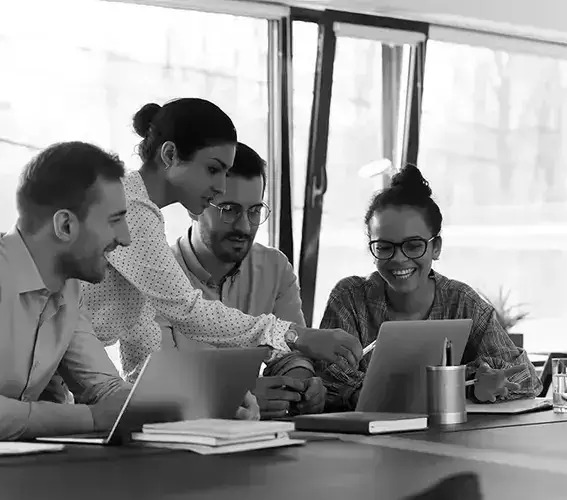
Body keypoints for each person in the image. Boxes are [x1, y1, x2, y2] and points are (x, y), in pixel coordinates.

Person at [82, 98, 362, 384]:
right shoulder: (132, 209)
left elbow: (142, 345)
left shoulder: (144, 215)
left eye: (225, 173)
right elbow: (187, 310)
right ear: (169, 155)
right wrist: (295, 335)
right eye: (213, 170)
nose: (220, 186)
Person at [317, 164, 543, 411]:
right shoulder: (350, 298)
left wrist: (484, 381)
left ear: (436, 247)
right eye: (384, 247)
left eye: (414, 246)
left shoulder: (462, 302)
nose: (399, 259)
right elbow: (327, 379)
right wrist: (458, 385)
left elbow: (527, 379)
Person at [160, 142, 325, 419]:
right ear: (194, 207)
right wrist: (236, 396)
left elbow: (288, 353)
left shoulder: (275, 268)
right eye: (229, 209)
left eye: (254, 211)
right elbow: (157, 379)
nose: (244, 226)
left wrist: (299, 387)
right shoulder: (158, 275)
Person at [0, 142, 133, 440]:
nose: (125, 238)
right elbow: (99, 414)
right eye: (115, 221)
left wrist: (196, 406)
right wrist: (89, 418)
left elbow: (105, 389)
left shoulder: (68, 289)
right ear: (65, 225)